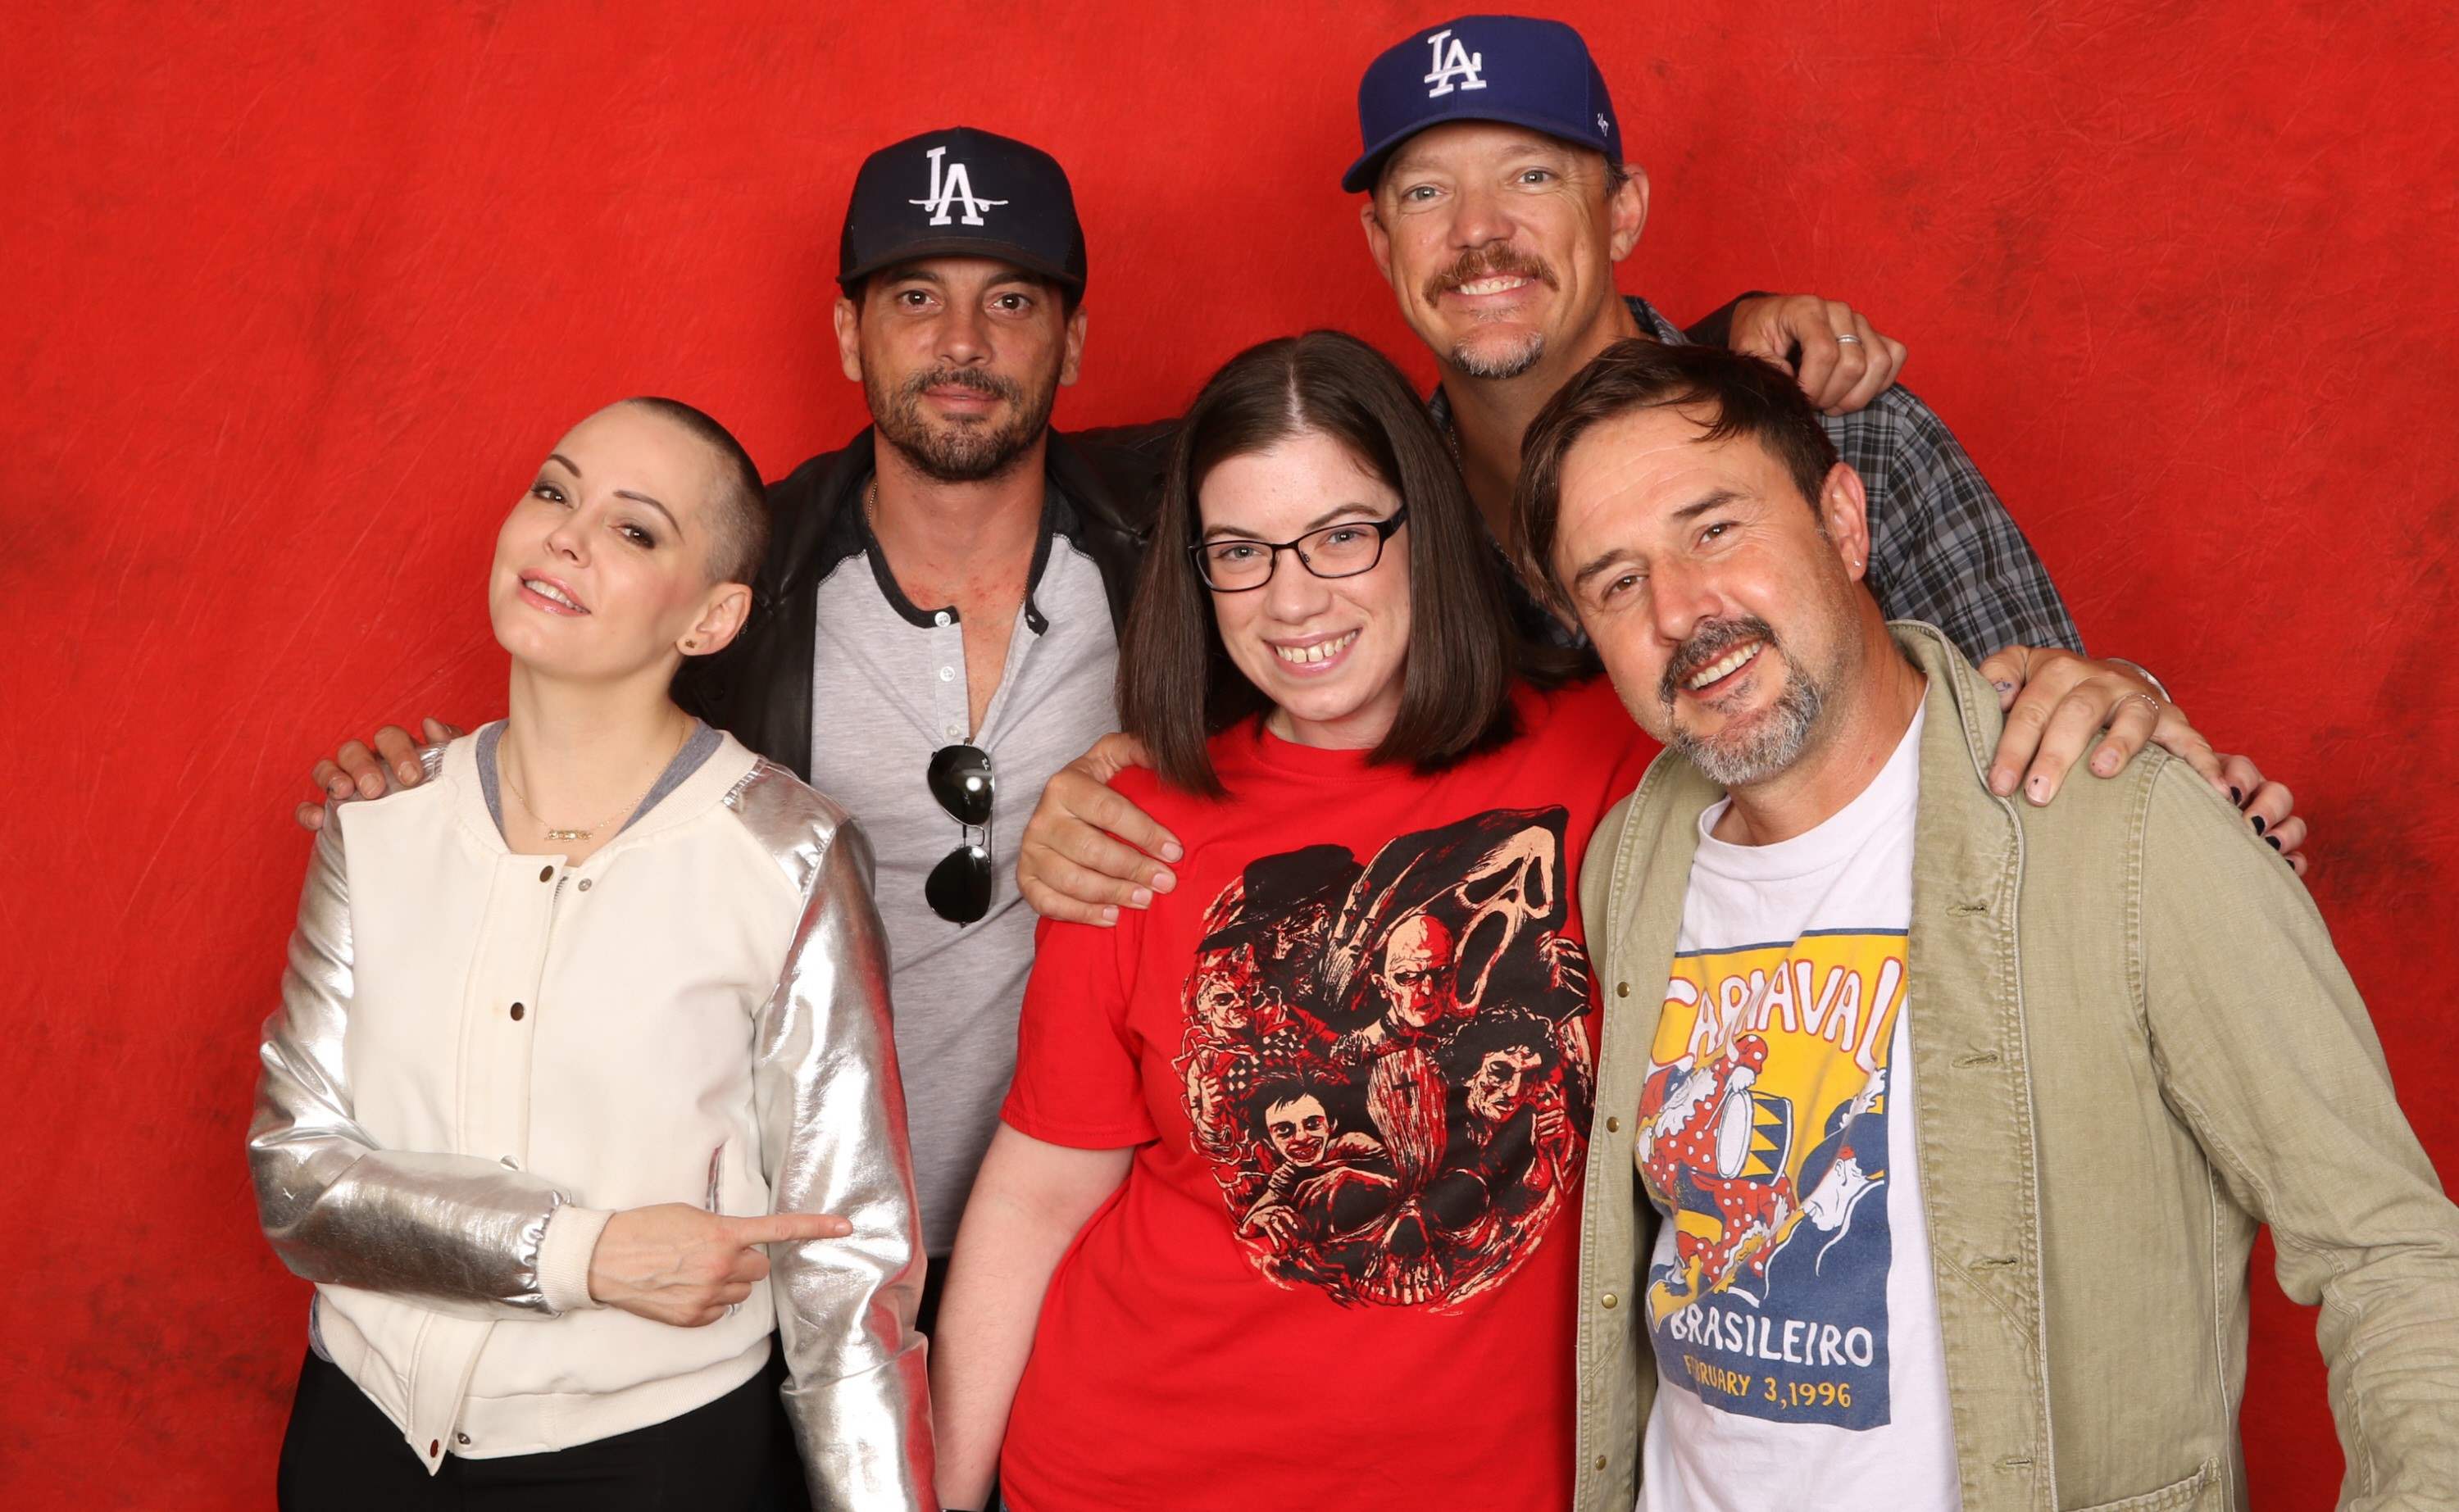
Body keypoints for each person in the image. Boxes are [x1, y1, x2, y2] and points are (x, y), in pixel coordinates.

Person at [292, 126, 1872, 1321]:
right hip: (776, 1250)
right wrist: (423, 790)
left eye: (1012, 301)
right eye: (915, 298)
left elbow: (1452, 461)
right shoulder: (744, 581)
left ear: (1077, 341)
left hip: (1098, 1248)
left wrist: (1730, 340)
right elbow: (580, 732)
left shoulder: (1186, 527)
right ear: (850, 337)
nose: (963, 345)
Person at [1016, 13, 2305, 926]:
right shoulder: (1362, 534)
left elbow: (2061, 734)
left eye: (1531, 175)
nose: (1480, 235)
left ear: (1622, 210)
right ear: (1376, 236)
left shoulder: (1841, 435)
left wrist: (2134, 707)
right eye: (1426, 194)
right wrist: (1109, 794)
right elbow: (1274, 765)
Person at [1513, 338, 2459, 1510]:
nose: (1680, 610)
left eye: (1716, 529)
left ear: (1845, 523)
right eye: (1615, 580)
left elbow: (2393, 1253)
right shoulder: (1630, 861)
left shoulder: (2121, 832)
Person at [925, 329, 1672, 1509]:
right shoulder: (1135, 825)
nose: (1292, 597)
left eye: (1341, 535)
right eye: (1241, 549)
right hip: (1130, 1468)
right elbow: (1039, 1192)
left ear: (1422, 523)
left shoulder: (1608, 753)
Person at [248, 398, 930, 1510]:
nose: (567, 534)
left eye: (636, 529)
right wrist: (582, 1253)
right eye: (556, 491)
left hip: (654, 1462)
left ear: (710, 617)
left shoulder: (788, 856)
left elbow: (846, 1273)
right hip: (357, 1441)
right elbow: (298, 1178)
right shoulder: (375, 822)